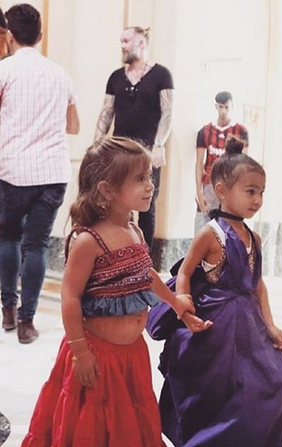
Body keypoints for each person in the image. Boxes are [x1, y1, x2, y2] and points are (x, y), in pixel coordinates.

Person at [21, 137, 210, 447]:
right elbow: (70, 297)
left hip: (131, 355)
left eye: (149, 176)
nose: (150, 186)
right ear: (107, 190)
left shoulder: (134, 230)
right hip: (97, 355)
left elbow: (145, 274)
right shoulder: (89, 241)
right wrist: (80, 352)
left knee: (129, 422)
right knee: (95, 425)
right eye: (139, 179)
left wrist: (175, 301)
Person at [148, 136, 282, 446]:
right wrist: (184, 309)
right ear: (222, 191)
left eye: (262, 192)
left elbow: (257, 284)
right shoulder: (210, 234)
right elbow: (185, 272)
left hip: (249, 327)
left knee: (273, 381)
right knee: (217, 392)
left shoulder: (254, 237)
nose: (257, 200)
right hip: (216, 328)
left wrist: (270, 325)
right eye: (250, 191)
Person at [0, 3, 80, 344]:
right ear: (40, 36)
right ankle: (27, 323)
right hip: (52, 173)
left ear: (10, 36)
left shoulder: (4, 71)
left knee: (8, 239)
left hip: (11, 171)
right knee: (37, 246)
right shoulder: (60, 74)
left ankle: (8, 310)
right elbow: (73, 126)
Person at [95, 26, 174, 250]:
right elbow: (106, 113)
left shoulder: (161, 75)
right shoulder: (116, 77)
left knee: (147, 205)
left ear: (141, 43)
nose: (122, 46)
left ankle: (144, 258)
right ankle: (120, 252)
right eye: (121, 41)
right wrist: (97, 145)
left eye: (126, 41)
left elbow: (168, 113)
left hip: (147, 152)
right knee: (117, 203)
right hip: (119, 153)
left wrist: (159, 144)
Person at [195, 91, 248, 232]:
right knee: (205, 227)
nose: (223, 111)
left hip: (231, 185)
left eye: (226, 107)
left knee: (229, 228)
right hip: (210, 185)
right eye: (221, 107)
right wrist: (199, 192)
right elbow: (199, 162)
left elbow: (243, 163)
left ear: (232, 106)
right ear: (216, 106)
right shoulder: (205, 131)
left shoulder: (240, 131)